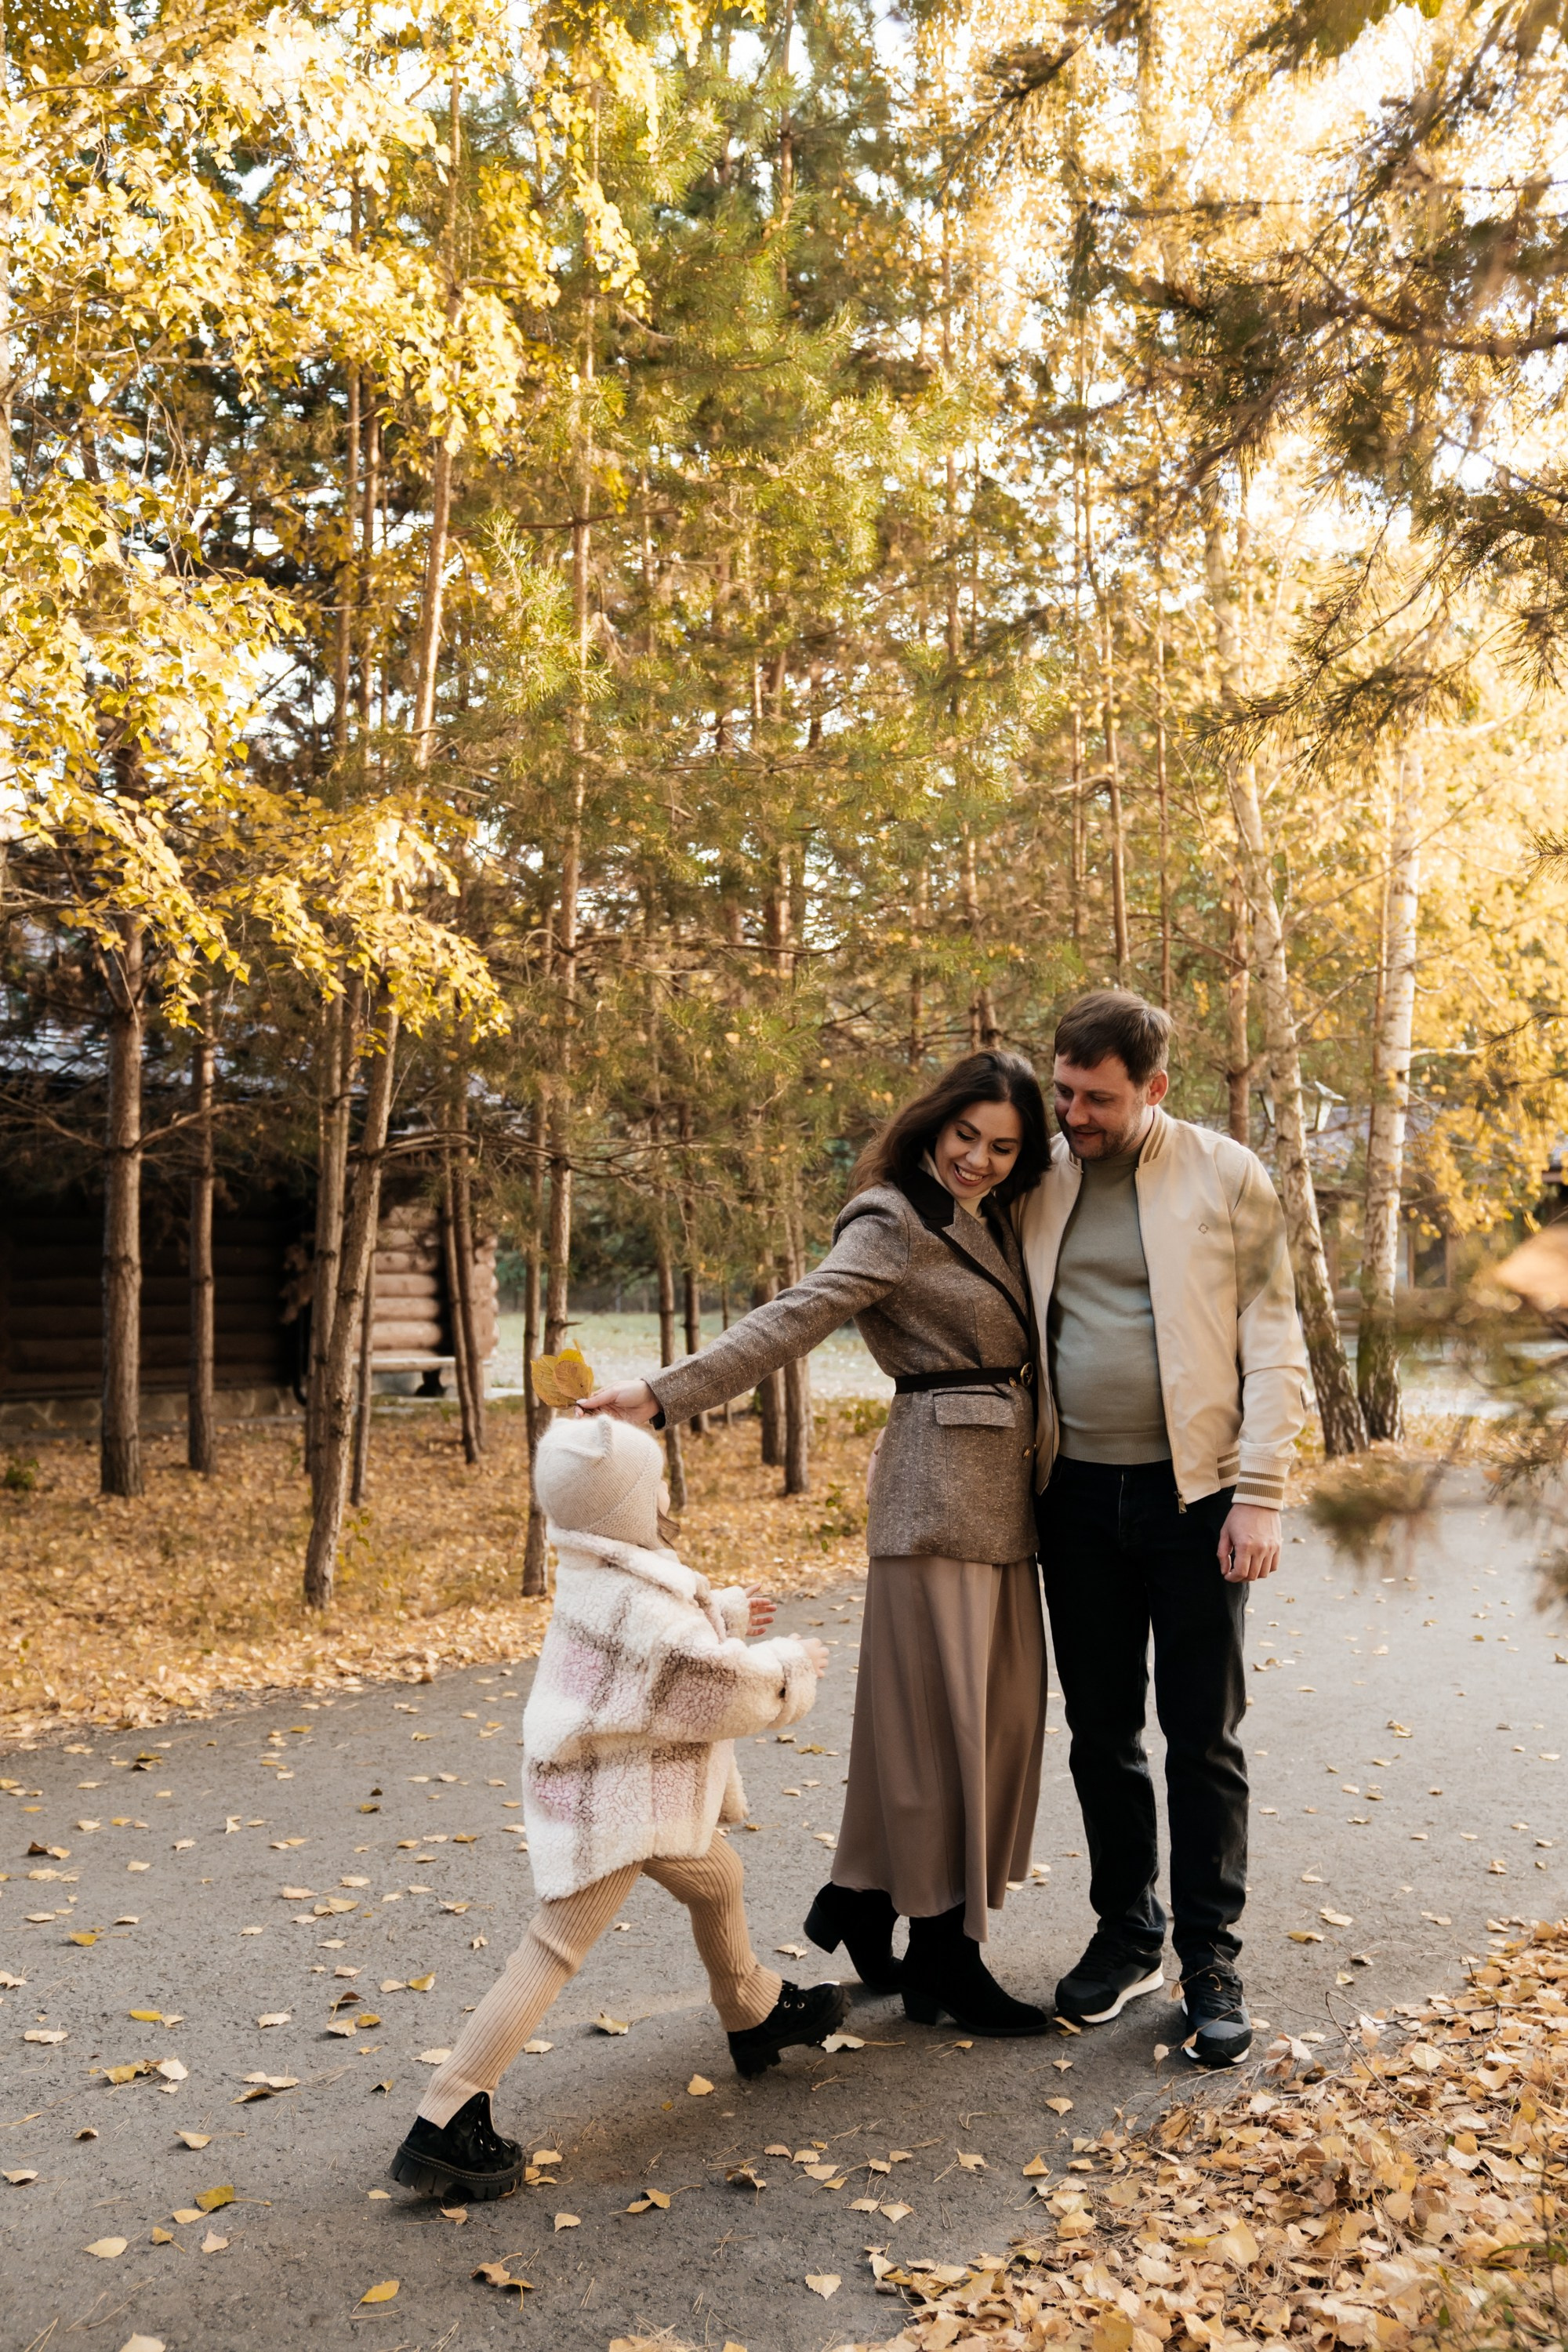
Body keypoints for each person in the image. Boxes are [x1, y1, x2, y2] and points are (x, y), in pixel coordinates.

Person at [583, 1050, 1054, 2038]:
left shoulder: (995, 1217)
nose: (978, 1158)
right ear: (933, 1123)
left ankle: (860, 1902)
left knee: (973, 1725)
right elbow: (793, 1318)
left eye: (1002, 1147)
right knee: (942, 1738)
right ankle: (941, 1961)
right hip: (935, 1503)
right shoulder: (889, 1217)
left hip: (1003, 1501)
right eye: (965, 1135)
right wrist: (663, 1396)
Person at [389, 1414, 841, 2201]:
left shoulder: (600, 1573)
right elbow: (708, 1685)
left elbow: (655, 1649)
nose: (665, 1494)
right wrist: (783, 1667)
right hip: (614, 1803)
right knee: (553, 1949)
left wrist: (725, 1613)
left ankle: (752, 2008)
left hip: (625, 1787)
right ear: (630, 1508)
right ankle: (445, 2118)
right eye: (654, 1485)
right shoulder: (641, 1604)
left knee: (716, 1878)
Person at [1018, 989, 1310, 2067]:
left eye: (1097, 1098)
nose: (1075, 1116)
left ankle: (1210, 1958)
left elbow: (1273, 1340)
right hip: (1075, 1497)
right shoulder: (1036, 1174)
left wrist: (1262, 1490)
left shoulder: (1228, 1176)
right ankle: (1127, 1928)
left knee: (1203, 1736)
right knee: (1101, 1731)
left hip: (1199, 1502)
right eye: (1063, 1092)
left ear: (1155, 1088)